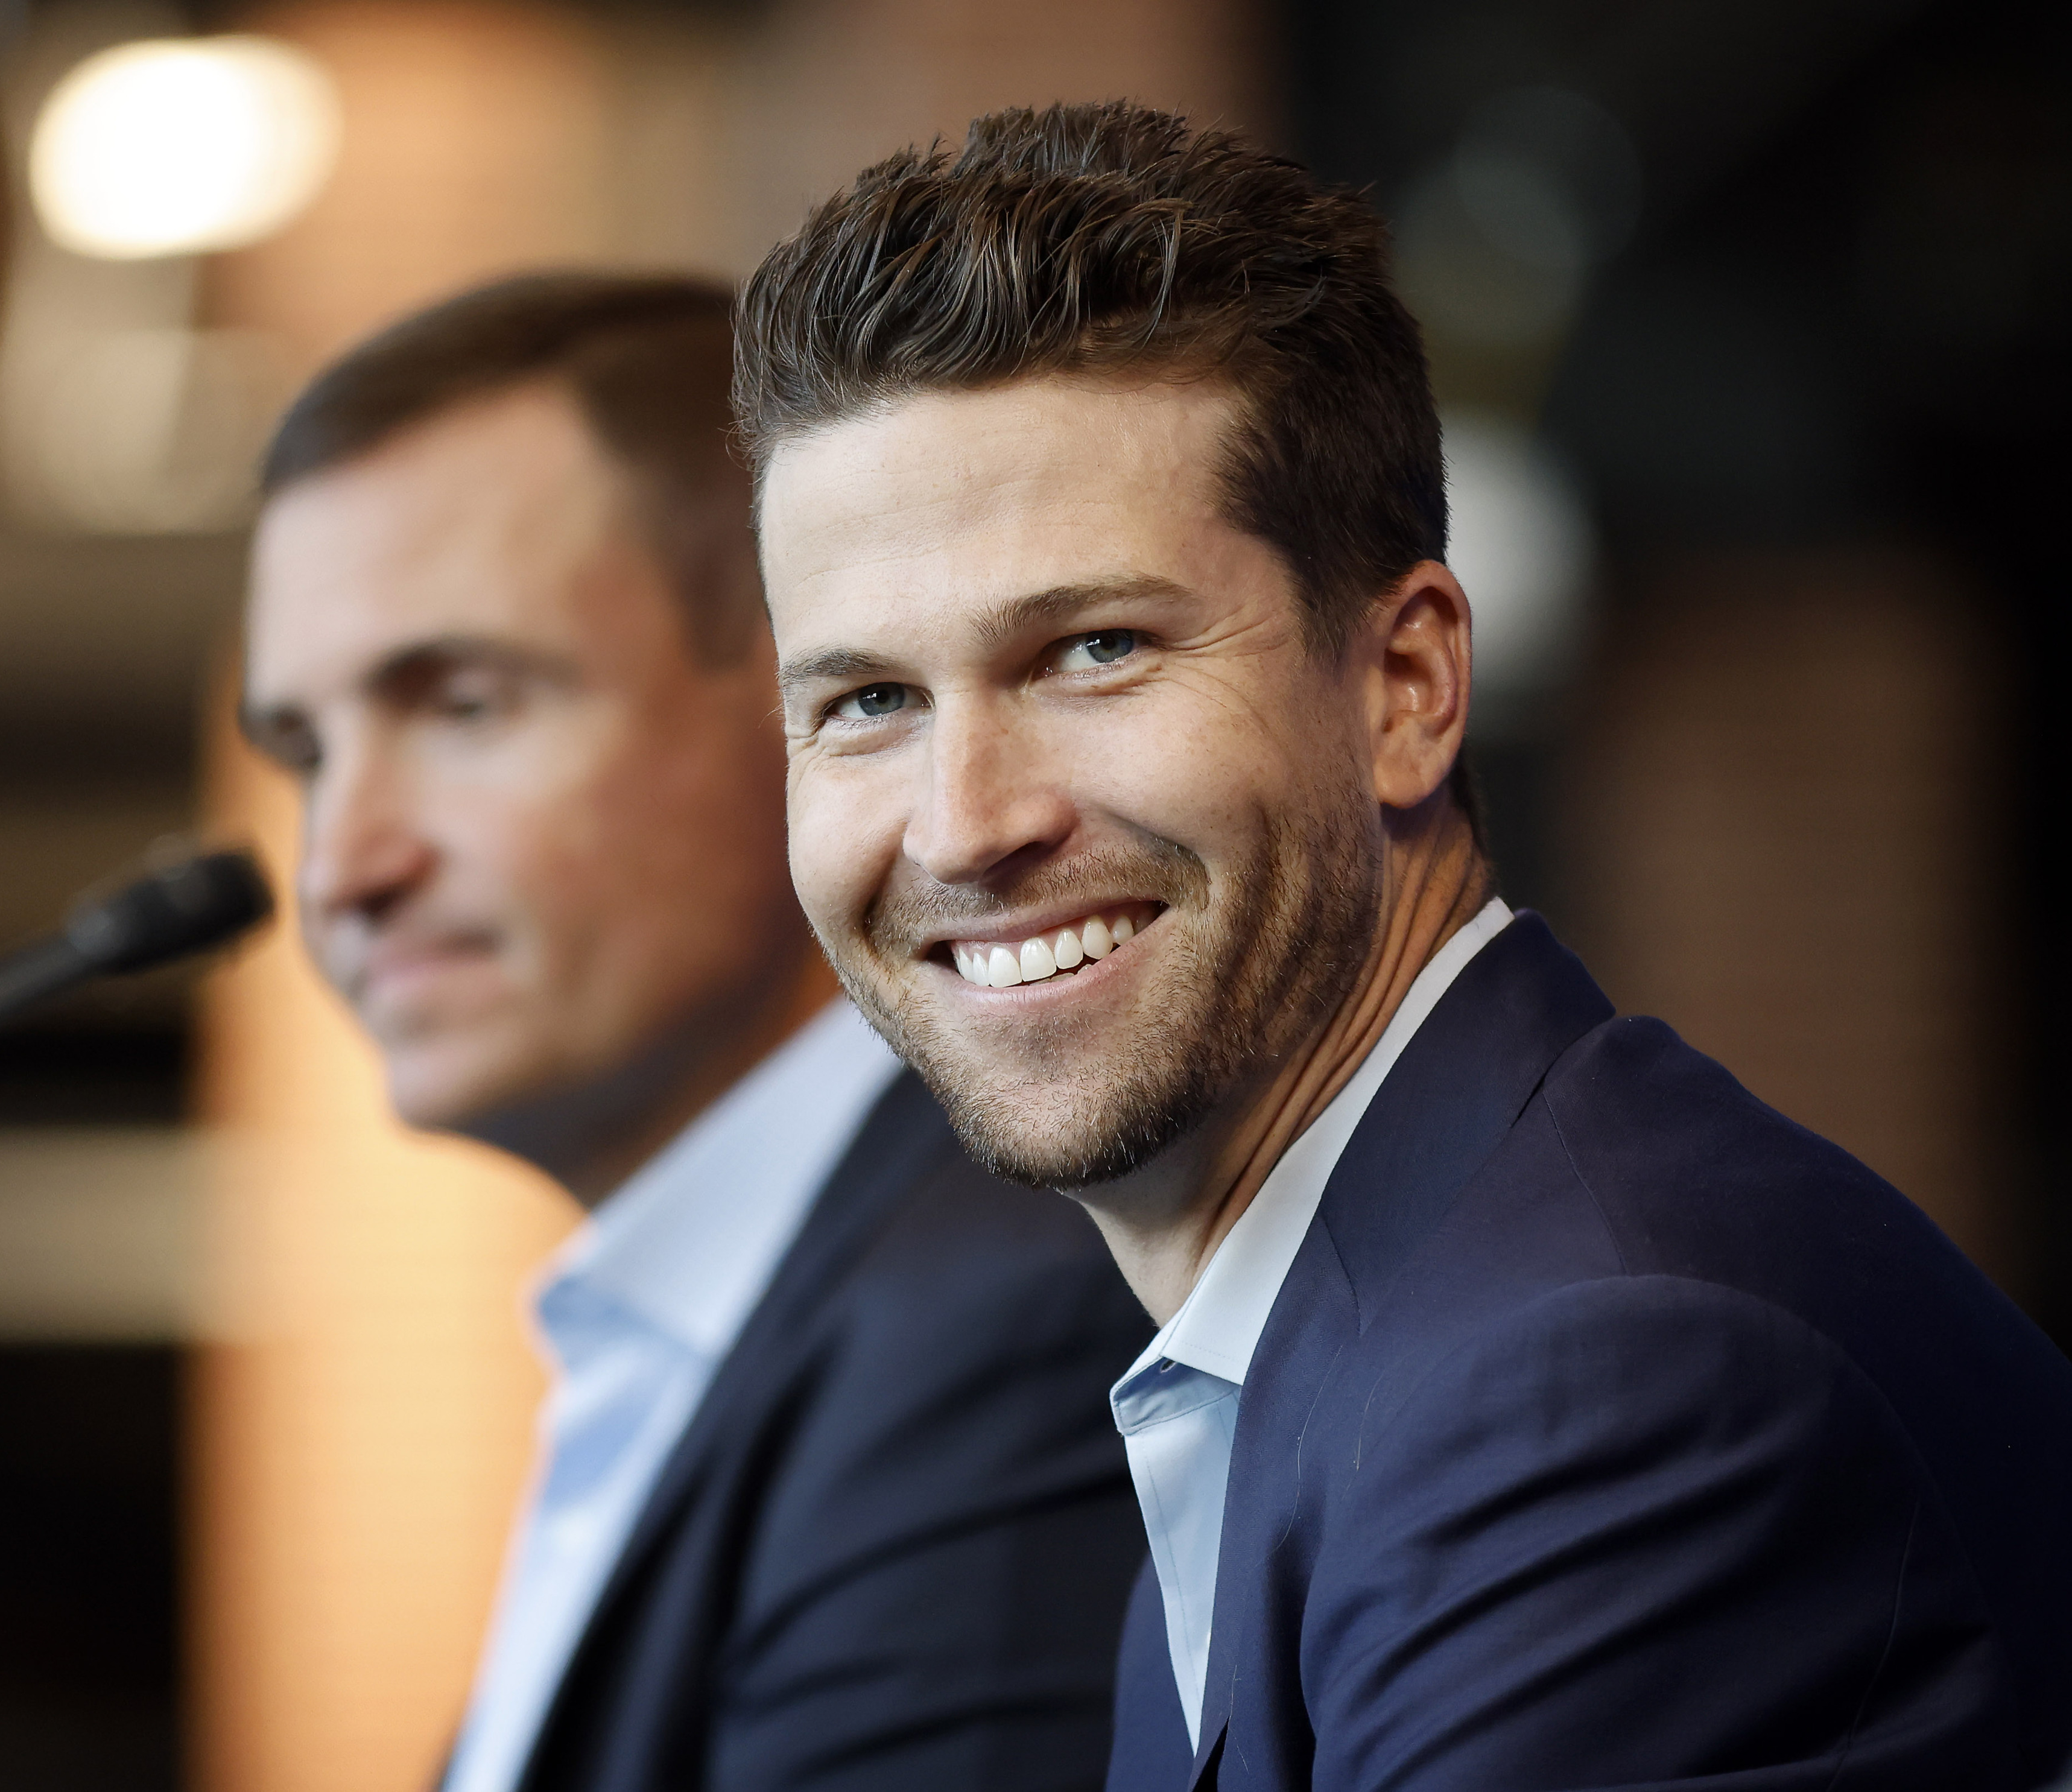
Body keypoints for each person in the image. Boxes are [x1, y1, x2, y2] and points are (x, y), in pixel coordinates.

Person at [737, 101, 2072, 1791]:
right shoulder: (1321, 1331)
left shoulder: (1600, 1385)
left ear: (1408, 687)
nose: (961, 822)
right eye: (866, 701)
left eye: (1091, 650)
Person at [238, 272, 1150, 1792]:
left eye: (464, 703)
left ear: (807, 695)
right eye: (307, 752)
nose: (342, 867)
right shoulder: (713, 1320)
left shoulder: (999, 1315)